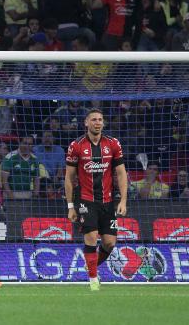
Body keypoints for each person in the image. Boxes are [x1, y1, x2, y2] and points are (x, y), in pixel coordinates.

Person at [65, 108, 128, 291]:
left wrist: (123, 200)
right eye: (93, 119)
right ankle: (93, 280)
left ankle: (91, 265)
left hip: (108, 201)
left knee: (109, 243)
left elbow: (121, 173)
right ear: (86, 123)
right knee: (91, 237)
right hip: (86, 200)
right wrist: (70, 206)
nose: (97, 122)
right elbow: (69, 178)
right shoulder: (76, 146)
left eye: (100, 119)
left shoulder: (113, 144)